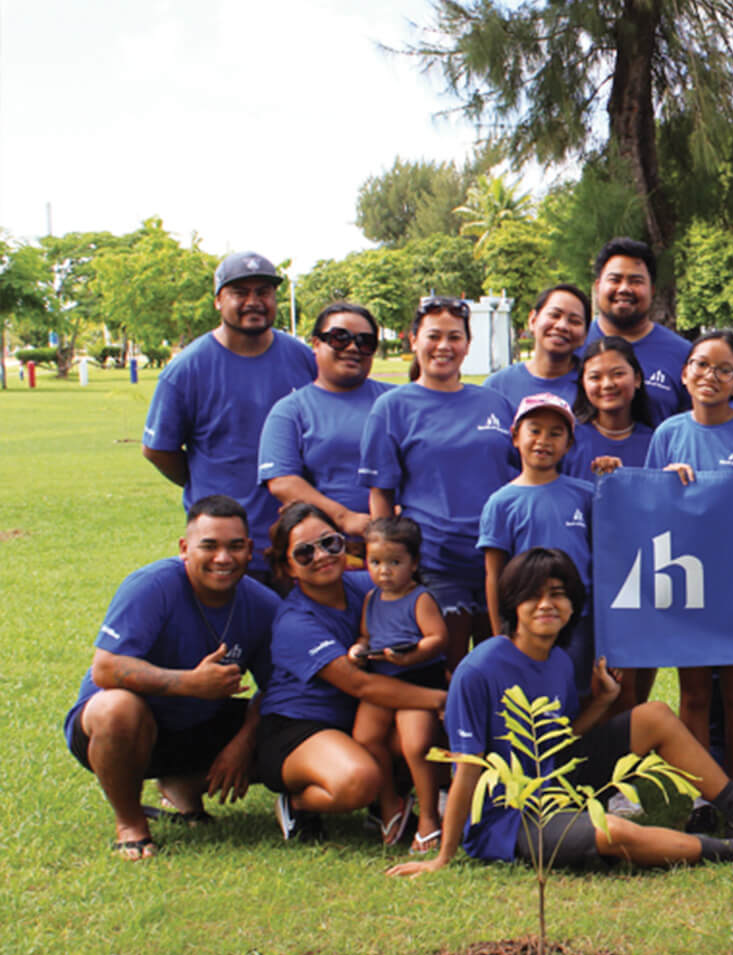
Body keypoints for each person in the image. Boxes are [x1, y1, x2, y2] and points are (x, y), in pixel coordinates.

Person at [387, 549, 733, 880]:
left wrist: (601, 702)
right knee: (614, 831)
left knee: (652, 713)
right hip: (507, 818)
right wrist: (444, 857)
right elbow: (466, 770)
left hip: (555, 784)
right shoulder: (478, 669)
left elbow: (558, 744)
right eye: (534, 596)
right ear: (512, 605)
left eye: (557, 595)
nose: (546, 605)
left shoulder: (557, 661)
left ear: (572, 605)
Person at [64, 496, 280, 860]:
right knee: (117, 708)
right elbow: (106, 668)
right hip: (126, 729)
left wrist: (242, 743)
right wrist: (189, 684)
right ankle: (130, 823)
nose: (223, 558)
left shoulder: (262, 604)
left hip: (201, 723)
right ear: (185, 549)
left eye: (235, 546)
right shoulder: (152, 586)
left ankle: (184, 785)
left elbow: (277, 685)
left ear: (249, 551)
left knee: (293, 724)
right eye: (209, 546)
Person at [256, 503, 448, 842]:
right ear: (288, 568)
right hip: (300, 726)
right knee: (358, 780)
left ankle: (390, 808)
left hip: (361, 716)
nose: (321, 556)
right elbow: (359, 684)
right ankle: (298, 803)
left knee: (420, 741)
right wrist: (441, 698)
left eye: (330, 543)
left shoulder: (371, 585)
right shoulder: (294, 622)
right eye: (304, 553)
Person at [645, 331, 733, 793]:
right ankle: (703, 794)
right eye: (701, 365)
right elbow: (648, 507)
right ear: (685, 374)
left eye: (725, 370)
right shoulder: (668, 434)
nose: (711, 376)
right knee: (695, 693)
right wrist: (663, 484)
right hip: (688, 580)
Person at [362, 296, 517, 673]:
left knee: (501, 668)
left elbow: (520, 478)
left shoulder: (494, 404)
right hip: (434, 564)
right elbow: (381, 494)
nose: (444, 346)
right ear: (414, 340)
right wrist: (395, 563)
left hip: (498, 562)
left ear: (468, 344)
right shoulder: (393, 407)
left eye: (455, 337)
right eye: (434, 336)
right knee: (449, 673)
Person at [142, 251, 316, 578]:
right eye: (240, 293)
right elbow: (157, 449)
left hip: (296, 542)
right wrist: (206, 483)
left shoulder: (302, 358)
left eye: (264, 292)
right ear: (218, 301)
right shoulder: (187, 370)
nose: (254, 301)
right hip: (225, 548)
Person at [480, 392, 597, 697]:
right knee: (531, 696)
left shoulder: (585, 495)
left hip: (578, 619)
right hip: (527, 620)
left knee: (577, 693)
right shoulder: (501, 502)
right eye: (534, 430)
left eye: (555, 434)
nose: (543, 440)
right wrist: (499, 635)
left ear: (569, 444)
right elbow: (494, 573)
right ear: (515, 436)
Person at [350, 516, 448, 851]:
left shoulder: (420, 598)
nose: (384, 571)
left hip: (416, 678)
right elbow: (366, 634)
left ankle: (429, 817)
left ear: (414, 563)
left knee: (416, 745)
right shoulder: (371, 599)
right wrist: (360, 649)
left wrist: (413, 655)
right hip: (382, 678)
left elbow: (438, 638)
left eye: (395, 562)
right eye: (375, 562)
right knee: (364, 738)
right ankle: (390, 802)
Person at [259, 303, 392, 540]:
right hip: (329, 550)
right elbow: (282, 482)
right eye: (339, 338)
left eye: (365, 342)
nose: (353, 348)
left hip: (401, 545)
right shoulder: (291, 411)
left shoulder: (398, 402)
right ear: (316, 344)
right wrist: (345, 518)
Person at [579, 236, 691, 419]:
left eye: (636, 281)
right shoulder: (574, 345)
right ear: (598, 286)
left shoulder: (683, 354)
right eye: (615, 279)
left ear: (652, 290)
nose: (624, 288)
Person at [482, 284, 592, 408]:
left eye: (575, 321)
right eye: (554, 315)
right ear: (533, 320)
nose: (562, 326)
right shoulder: (497, 387)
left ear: (585, 335)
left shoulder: (593, 387)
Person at [565, 336, 657, 479]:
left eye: (618, 374)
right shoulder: (569, 441)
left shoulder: (656, 442)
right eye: (595, 377)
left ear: (637, 379)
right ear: (583, 383)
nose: (607, 384)